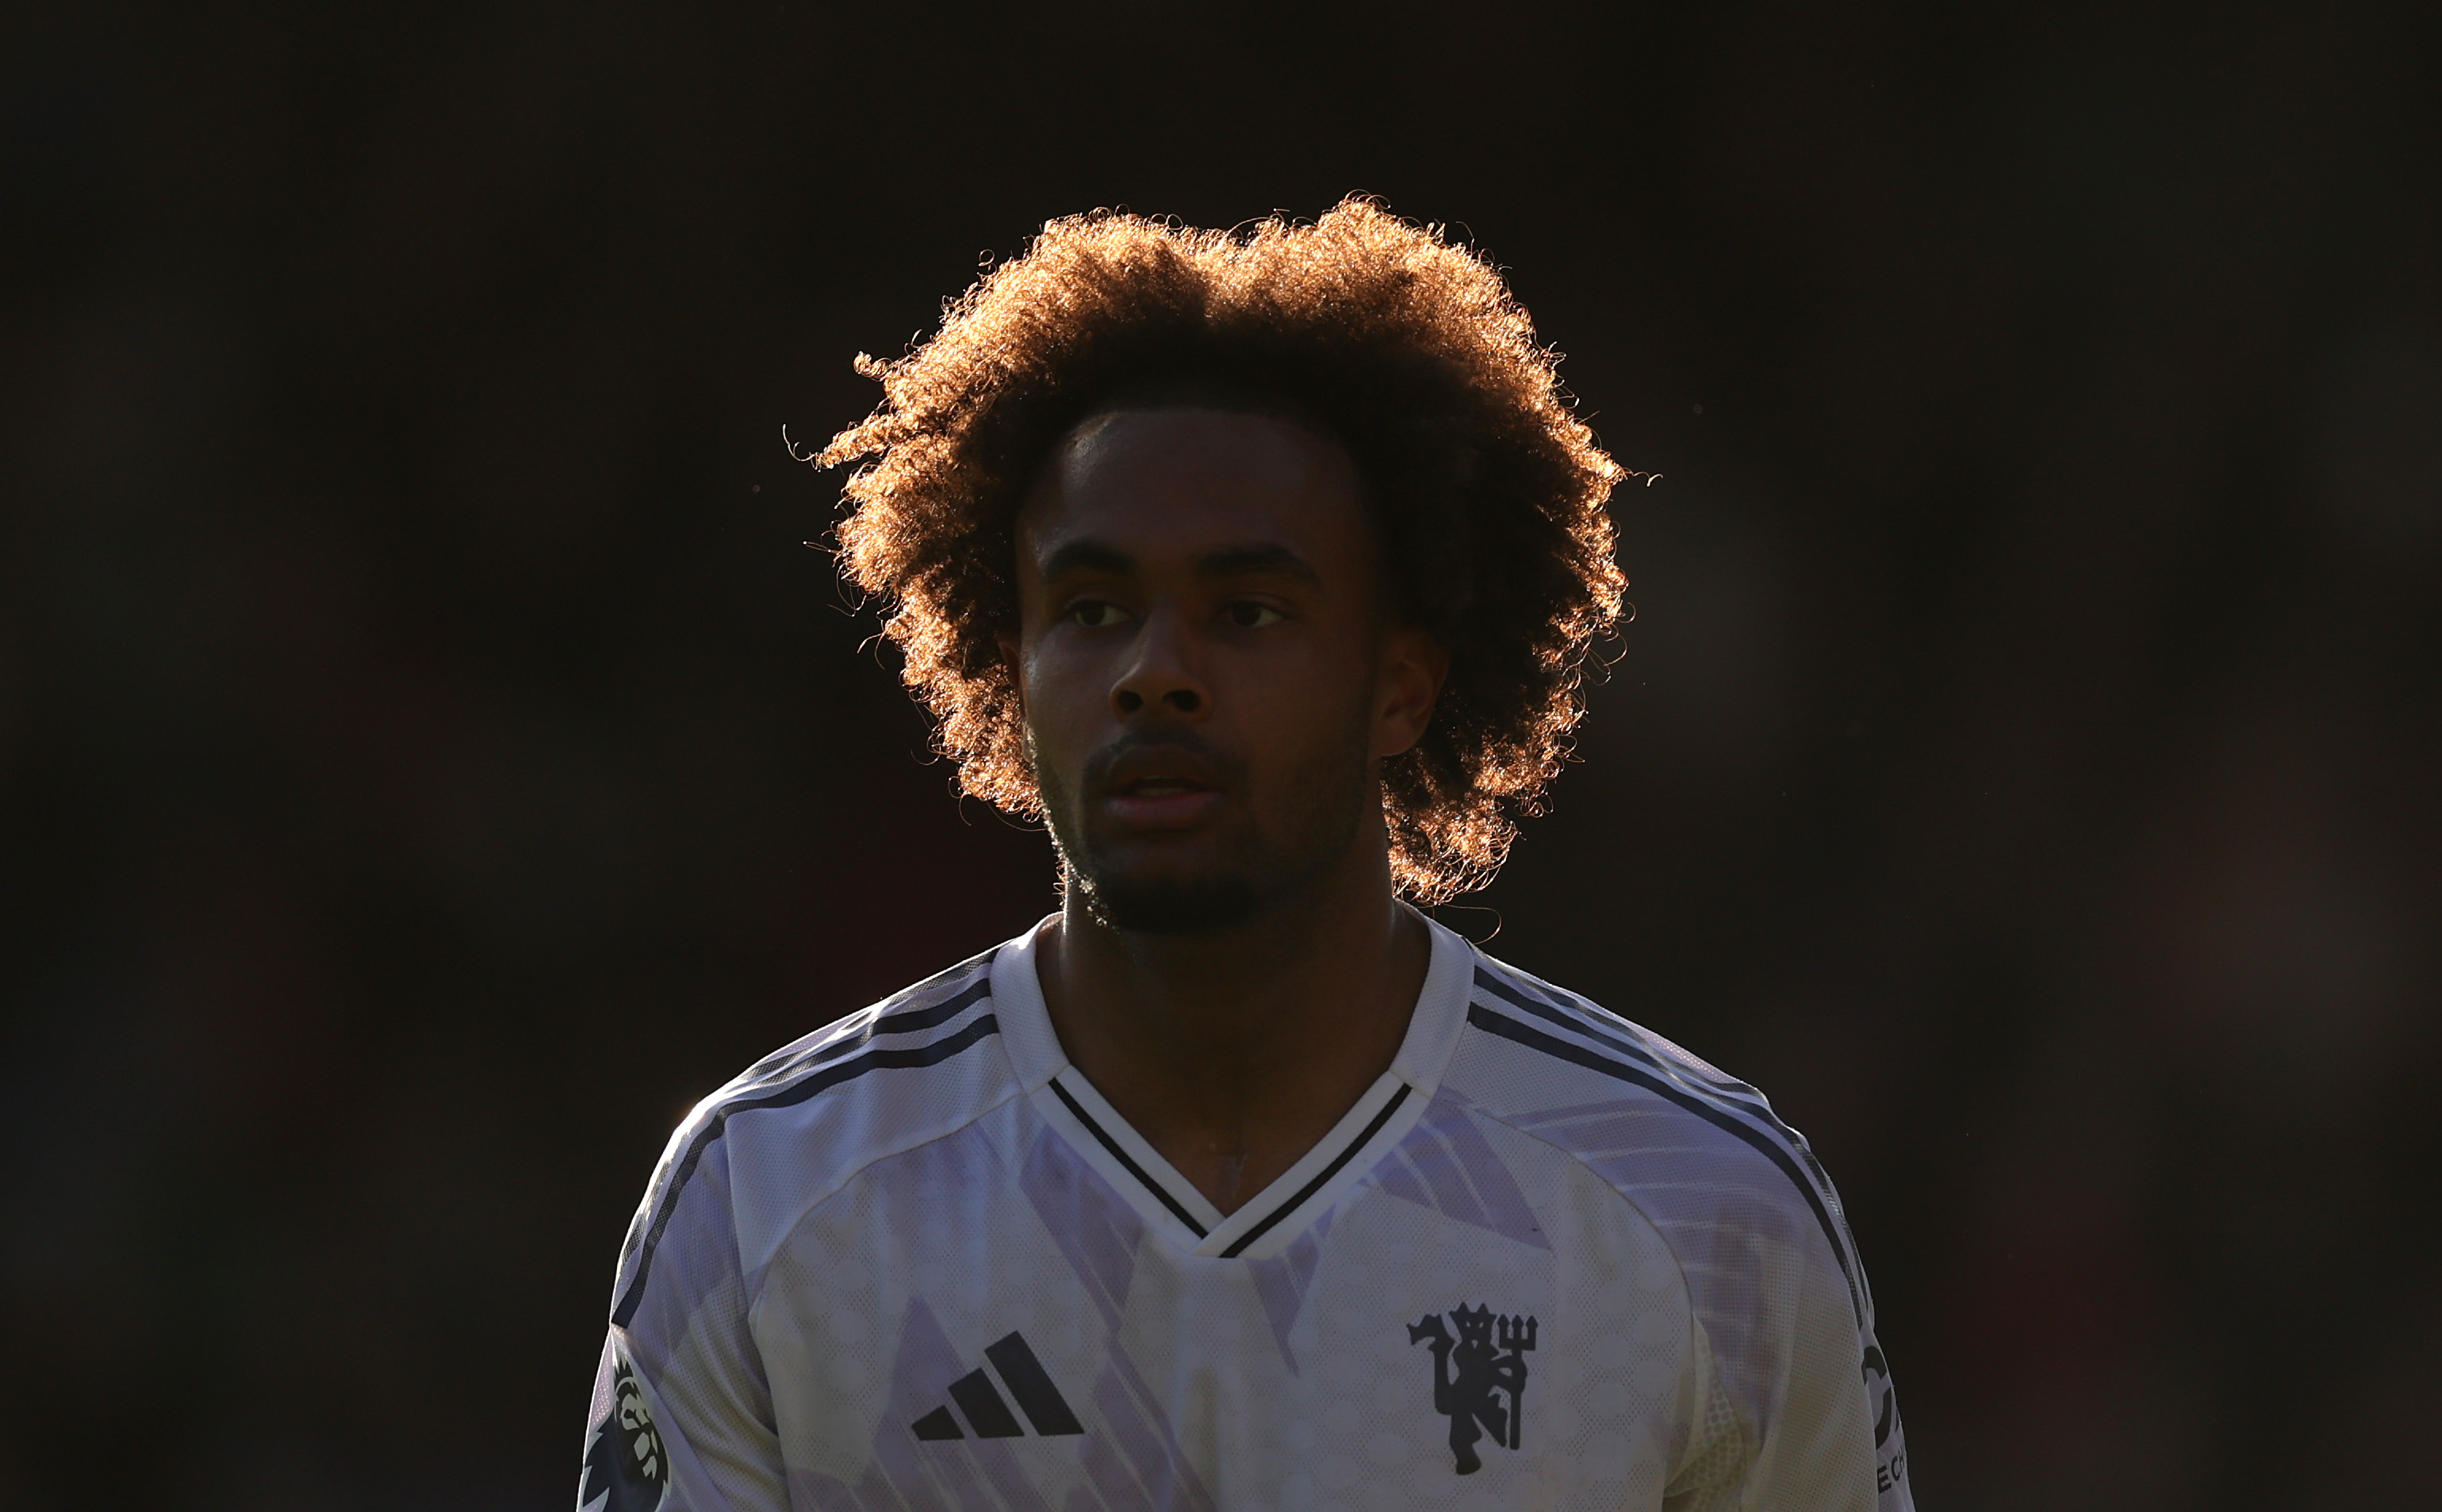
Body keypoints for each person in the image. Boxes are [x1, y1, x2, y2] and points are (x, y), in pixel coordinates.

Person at [579, 199, 1913, 1512]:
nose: (1157, 673)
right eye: (1093, 610)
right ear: (1011, 665)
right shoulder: (775, 1194)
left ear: (1401, 684)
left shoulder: (1699, 1212)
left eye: (1250, 610)